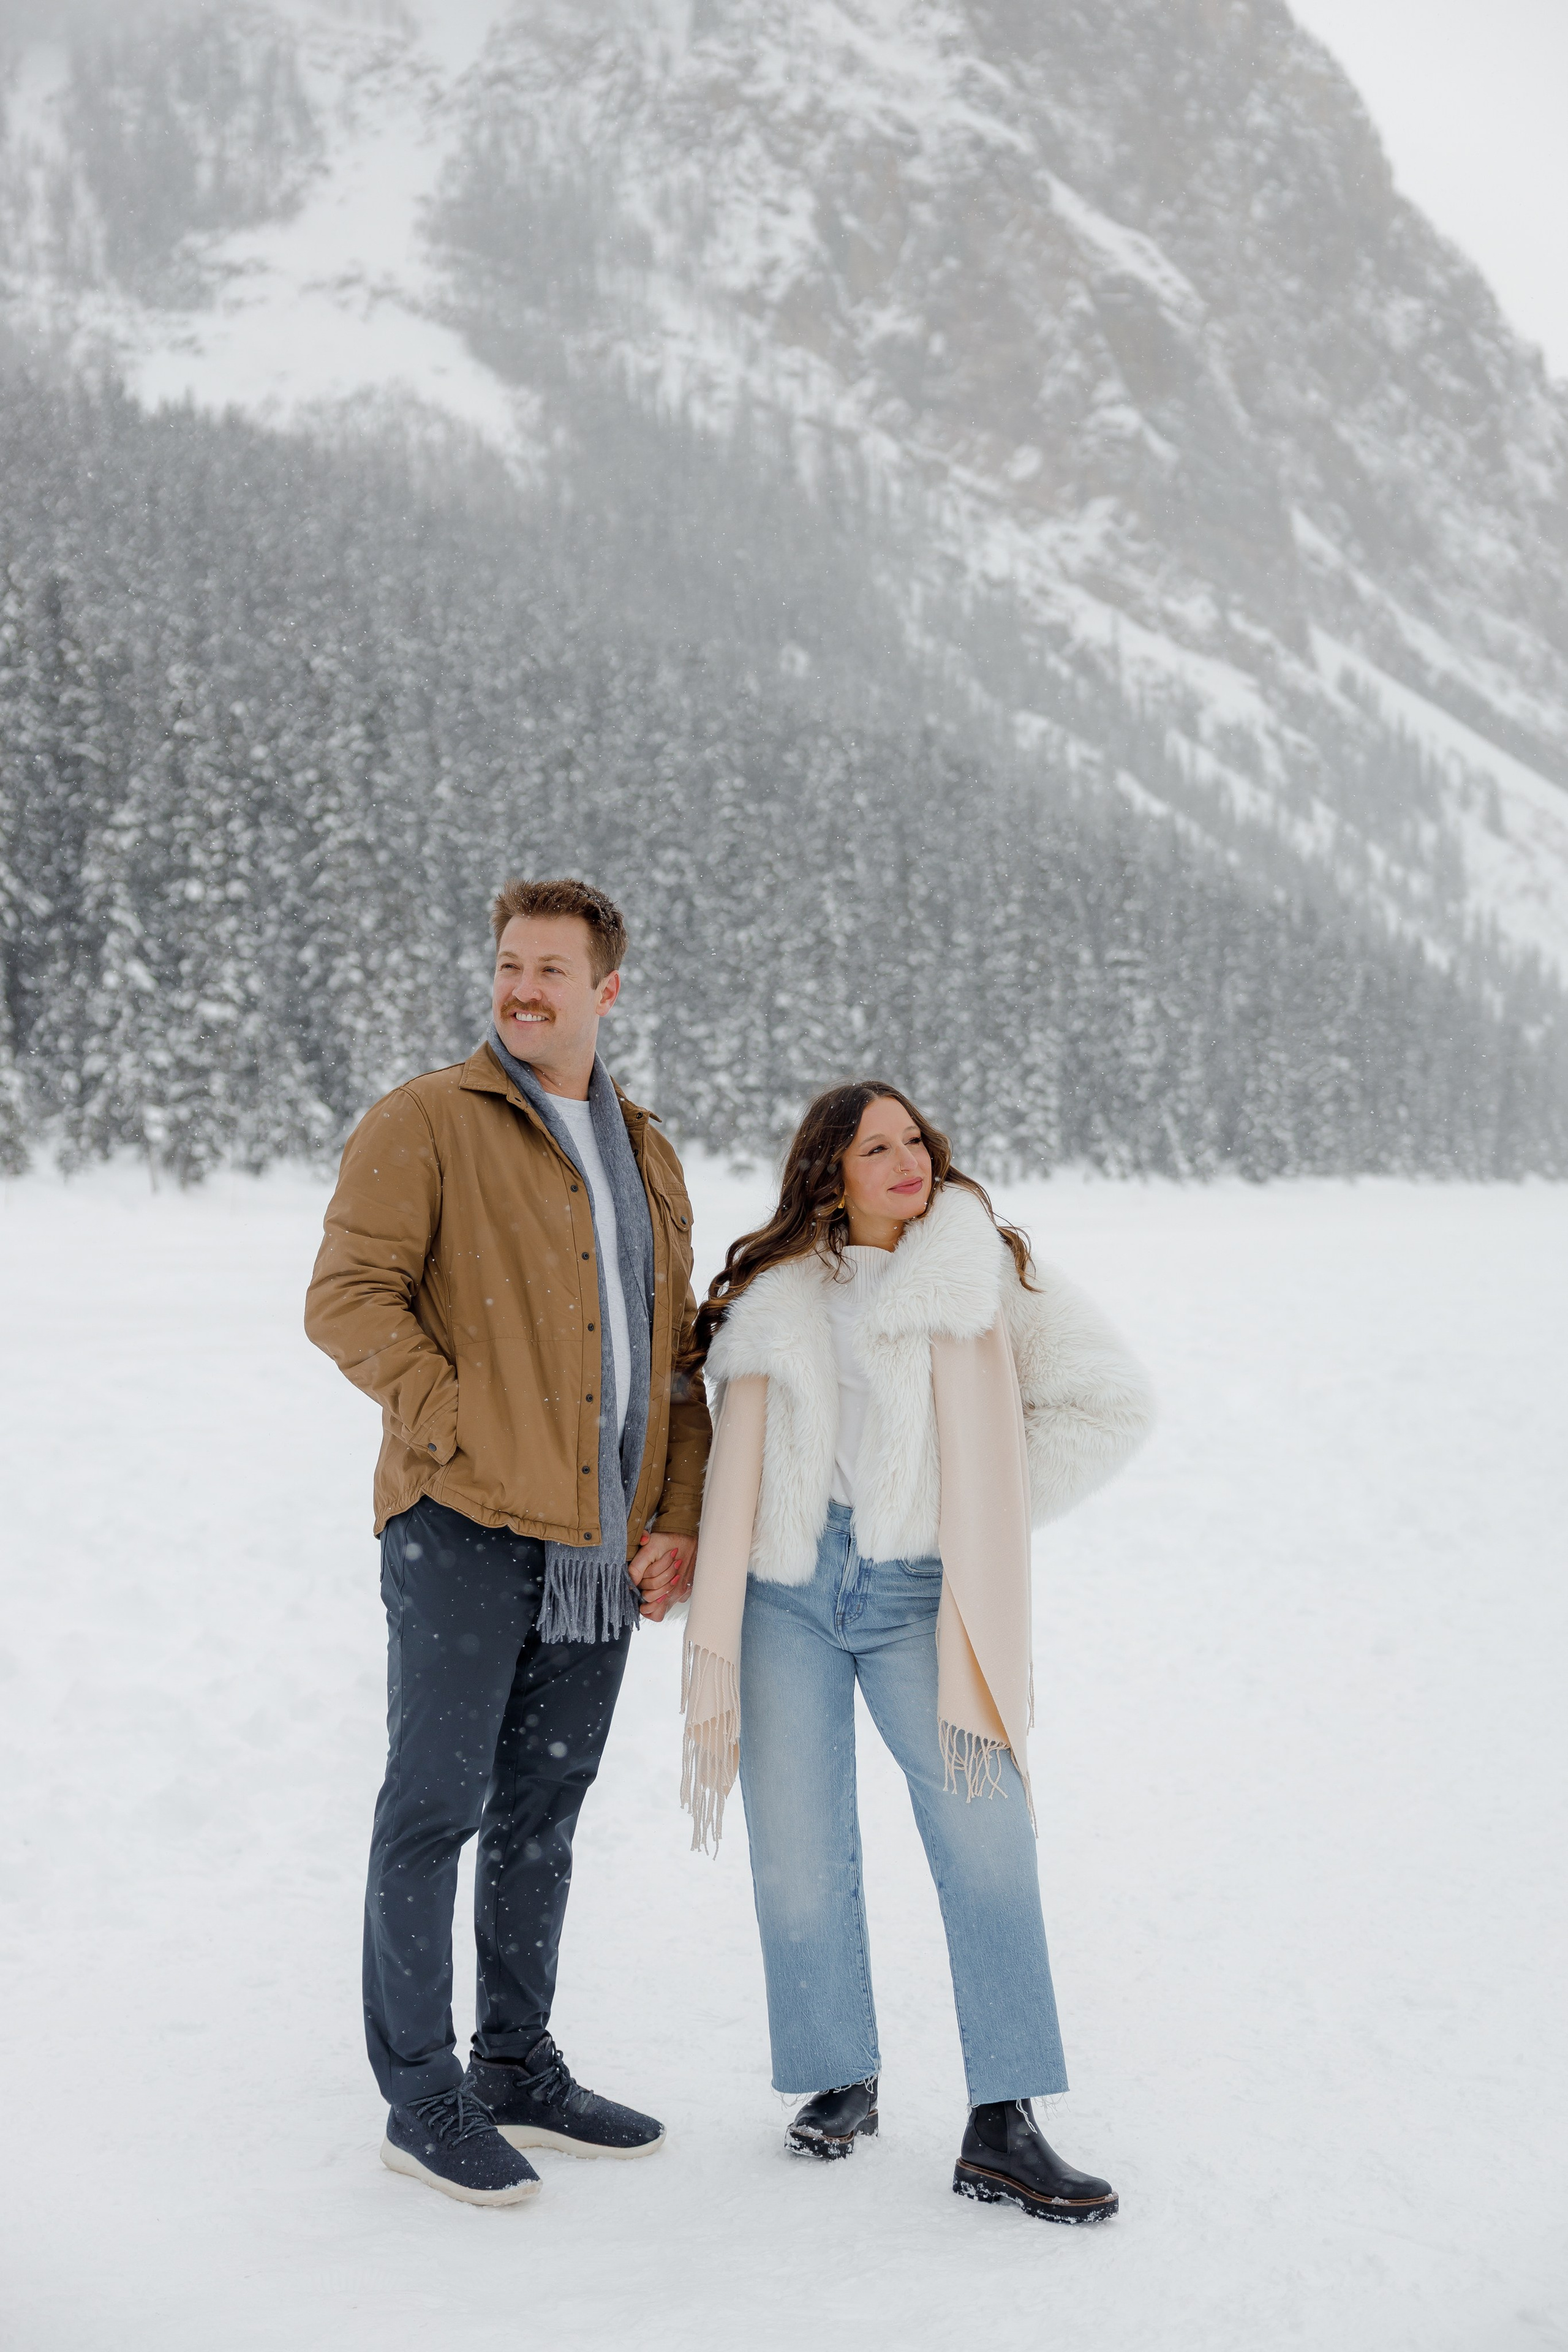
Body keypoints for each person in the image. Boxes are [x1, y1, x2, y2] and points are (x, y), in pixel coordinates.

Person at [679, 1081, 1153, 2223]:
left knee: (988, 1846)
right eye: (875, 1148)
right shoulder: (779, 1289)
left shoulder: (979, 1272)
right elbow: (721, 1433)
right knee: (798, 1854)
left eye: (914, 1141)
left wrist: (975, 1511)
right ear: (828, 1175)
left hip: (919, 1596)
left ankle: (1005, 2122)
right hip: (785, 1591)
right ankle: (839, 2074)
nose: (908, 1162)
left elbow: (1110, 1404)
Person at [306, 877, 709, 2207]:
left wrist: (674, 1511)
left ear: (607, 990)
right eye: (508, 965)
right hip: (464, 1527)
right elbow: (347, 1299)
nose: (522, 990)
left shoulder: (643, 1150)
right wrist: (462, 1428)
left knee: (542, 1814)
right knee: (435, 1809)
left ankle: (517, 2066)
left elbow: (674, 1357)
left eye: (551, 970)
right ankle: (422, 2094)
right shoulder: (429, 1119)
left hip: (599, 1547)